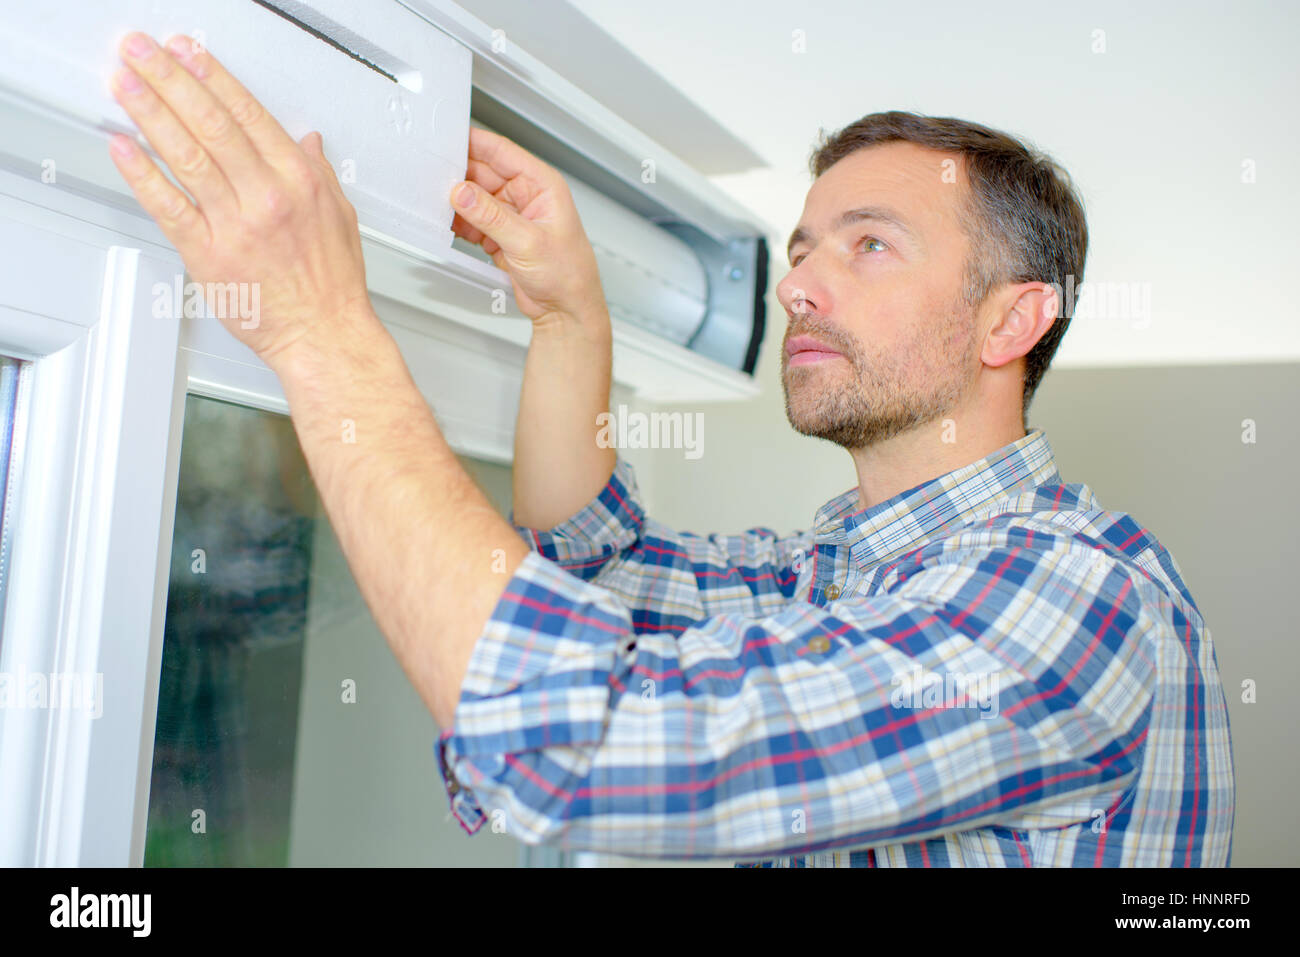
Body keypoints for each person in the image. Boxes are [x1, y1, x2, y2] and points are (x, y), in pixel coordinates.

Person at [107, 32, 1233, 866]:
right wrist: (568, 319)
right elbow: (589, 576)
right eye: (801, 249)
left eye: (870, 245)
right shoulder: (835, 579)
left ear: (1010, 322)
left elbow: (591, 745)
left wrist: (319, 332)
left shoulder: (1075, 597)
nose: (798, 283)